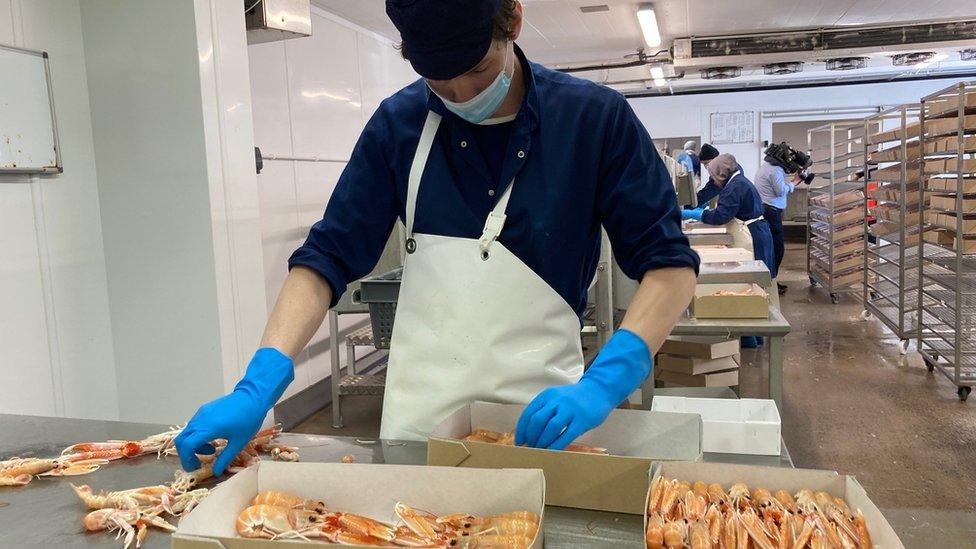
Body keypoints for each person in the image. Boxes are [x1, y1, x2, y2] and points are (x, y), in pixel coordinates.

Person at [174, 0, 699, 475]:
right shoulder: (398, 125)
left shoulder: (592, 121)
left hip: (542, 426)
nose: (462, 96)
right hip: (415, 431)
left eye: (477, 70)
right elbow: (326, 257)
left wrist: (606, 382)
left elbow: (669, 266)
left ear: (513, 21)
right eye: (438, 80)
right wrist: (260, 383)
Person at [682, 154, 774, 349]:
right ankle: (753, 335)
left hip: (751, 236)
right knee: (753, 282)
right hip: (757, 232)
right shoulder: (738, 181)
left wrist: (697, 214)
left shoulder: (734, 187)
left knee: (749, 283)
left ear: (721, 174)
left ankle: (751, 335)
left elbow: (722, 216)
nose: (713, 181)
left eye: (713, 176)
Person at [754, 155, 802, 295]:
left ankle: (770, 280)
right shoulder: (775, 170)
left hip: (767, 210)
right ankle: (771, 282)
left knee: (771, 248)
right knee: (777, 248)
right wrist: (795, 181)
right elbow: (780, 191)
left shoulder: (765, 167)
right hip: (771, 212)